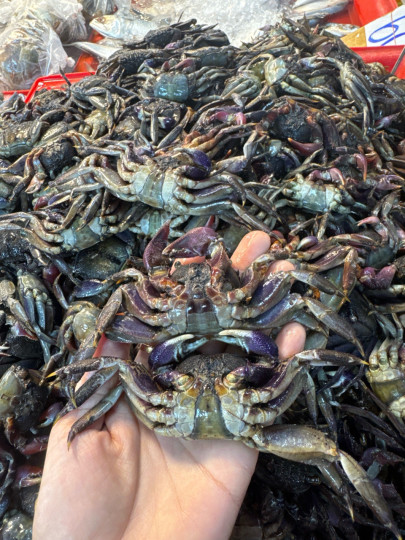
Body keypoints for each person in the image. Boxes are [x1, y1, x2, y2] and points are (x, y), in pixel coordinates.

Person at [32, 231, 306, 540]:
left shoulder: (160, 394)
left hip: (176, 398)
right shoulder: (165, 385)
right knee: (121, 363)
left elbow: (277, 362)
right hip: (211, 402)